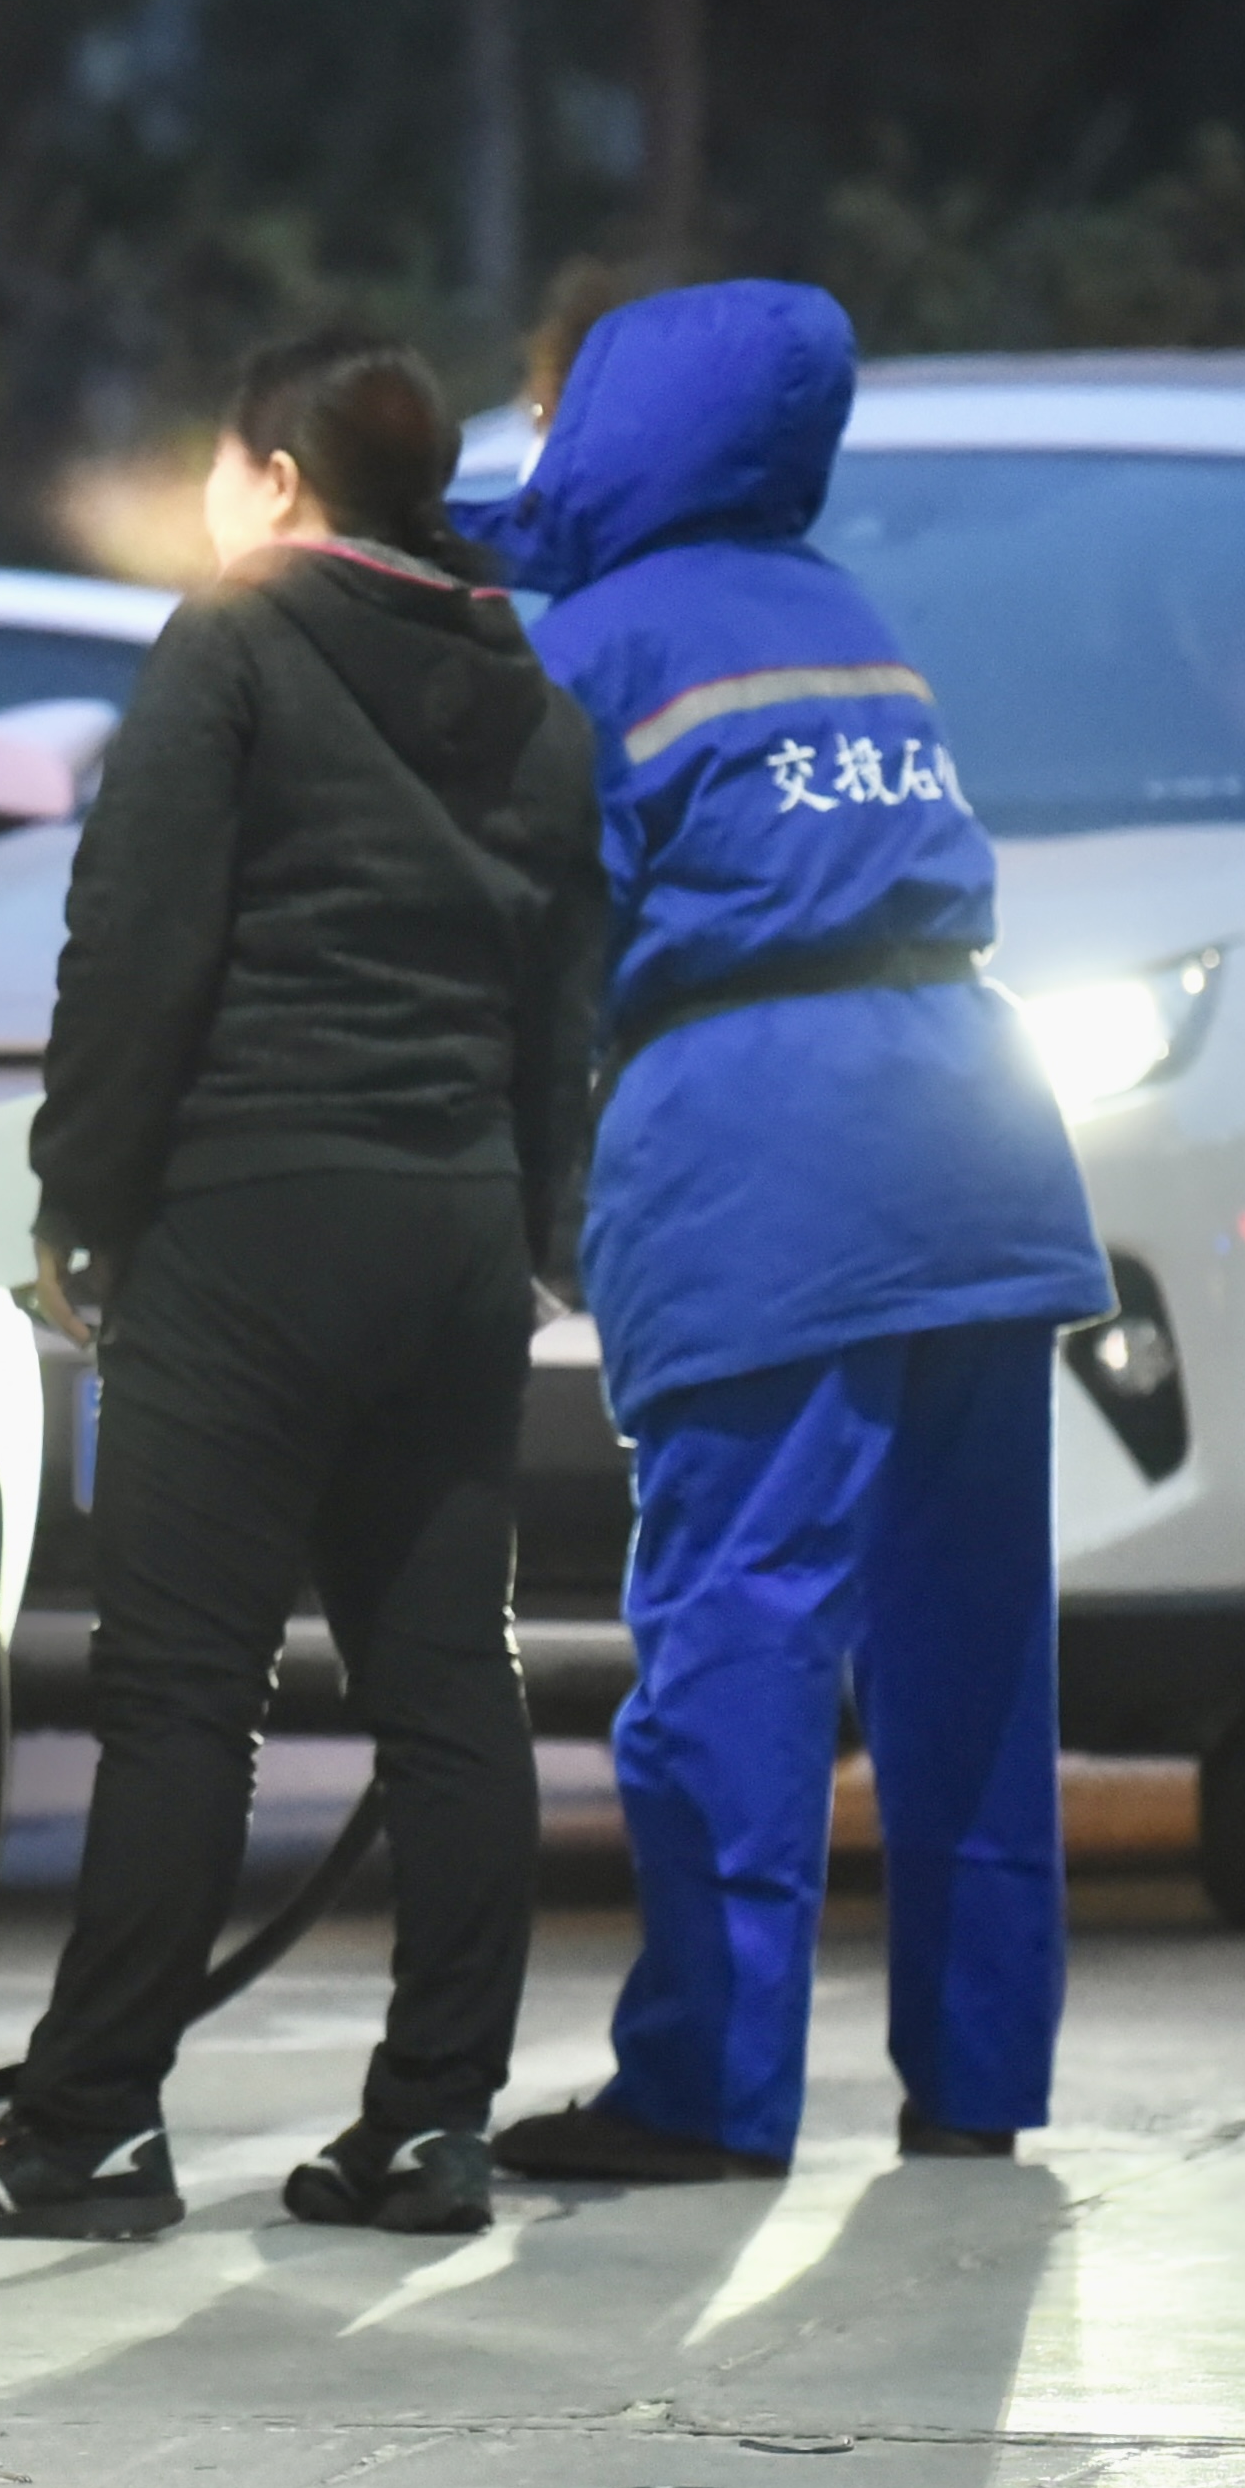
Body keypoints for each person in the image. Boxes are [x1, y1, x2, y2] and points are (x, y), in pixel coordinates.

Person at [0, 328, 604, 2240]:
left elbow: (134, 949)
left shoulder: (237, 645)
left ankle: (92, 2125)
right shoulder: (528, 685)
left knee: (184, 1695)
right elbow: (563, 987)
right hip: (449, 1226)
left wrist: (77, 1213)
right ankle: (434, 2122)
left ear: (275, 477)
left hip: (253, 1217)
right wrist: (531, 1228)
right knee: (452, 1681)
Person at [479, 279, 1108, 2184]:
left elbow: (544, 947)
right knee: (974, 1654)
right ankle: (978, 2081)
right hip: (982, 1147)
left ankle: (710, 2090)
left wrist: (533, 1186)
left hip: (771, 1165)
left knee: (740, 1638)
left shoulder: (587, 644)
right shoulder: (847, 621)